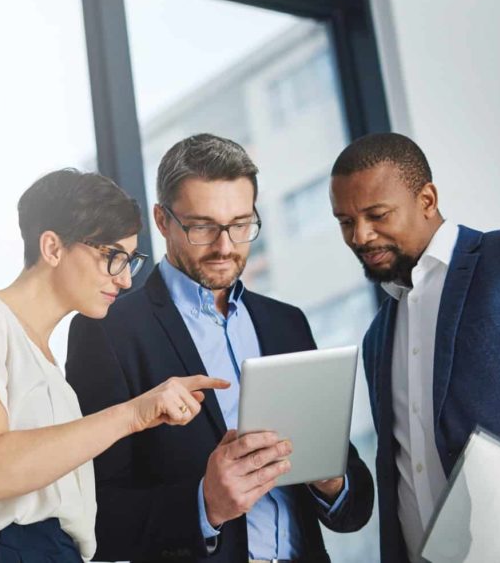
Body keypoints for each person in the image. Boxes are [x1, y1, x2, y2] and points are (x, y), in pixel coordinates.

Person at [68, 134, 374, 562]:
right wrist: (203, 505)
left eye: (241, 224)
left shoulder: (286, 324)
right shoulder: (108, 332)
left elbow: (354, 507)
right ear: (162, 220)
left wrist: (331, 483)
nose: (226, 246)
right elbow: (93, 515)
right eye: (202, 227)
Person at [0, 168, 230, 562]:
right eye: (113, 257)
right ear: (52, 248)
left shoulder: (54, 376)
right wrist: (133, 414)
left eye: (130, 262)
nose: (125, 281)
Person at [329, 131, 500, 563]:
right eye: (346, 222)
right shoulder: (376, 338)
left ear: (426, 199)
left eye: (376, 214)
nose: (360, 236)